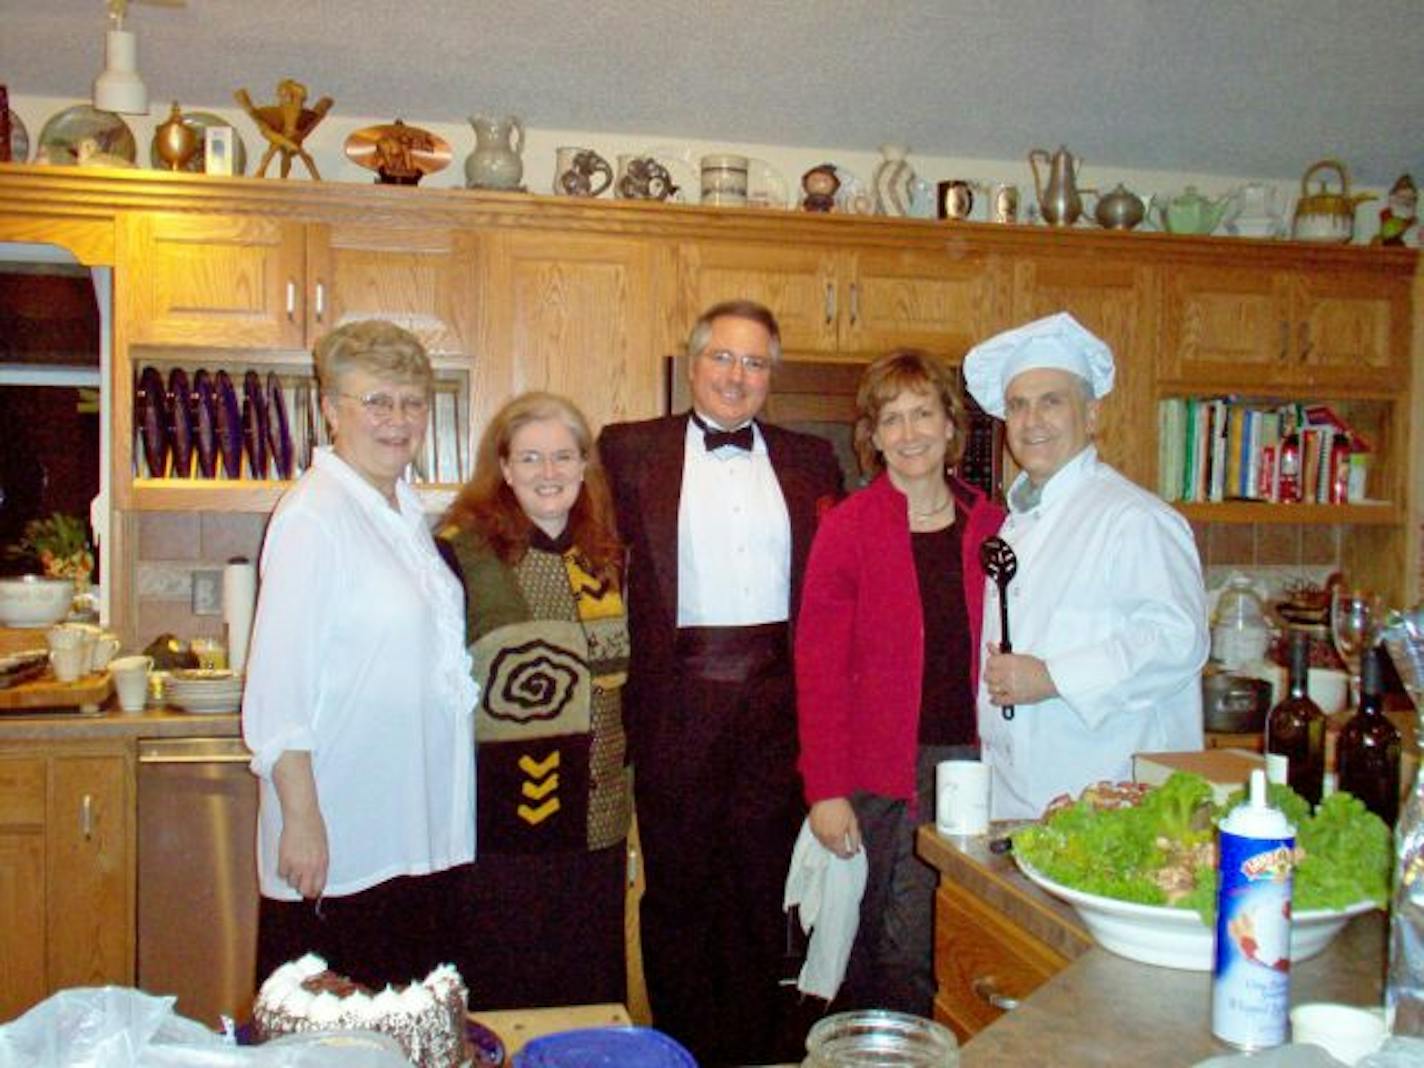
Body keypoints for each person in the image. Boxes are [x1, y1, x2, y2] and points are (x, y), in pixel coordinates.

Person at [598, 300, 843, 1066]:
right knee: (677, 892)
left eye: (756, 363)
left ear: (771, 375)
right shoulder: (628, 450)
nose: (738, 376)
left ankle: (751, 1051)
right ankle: (680, 1049)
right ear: (695, 362)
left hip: (779, 705)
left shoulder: (813, 460)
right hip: (678, 703)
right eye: (724, 359)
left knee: (760, 891)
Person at [242, 320, 479, 989]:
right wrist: (304, 820)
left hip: (414, 835)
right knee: (334, 1039)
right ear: (329, 408)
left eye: (411, 402)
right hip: (347, 842)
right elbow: (277, 689)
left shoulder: (401, 508)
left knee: (407, 1034)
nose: (397, 420)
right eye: (377, 401)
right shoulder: (314, 517)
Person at [795, 350, 1005, 1016]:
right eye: (892, 419)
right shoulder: (848, 527)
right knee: (881, 952)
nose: (910, 433)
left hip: (977, 768)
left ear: (951, 426)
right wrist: (824, 789)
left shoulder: (992, 526)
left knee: (959, 945)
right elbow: (818, 668)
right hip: (878, 776)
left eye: (923, 414)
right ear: (874, 435)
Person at [963, 311, 1209, 820]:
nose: (1032, 422)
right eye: (1018, 406)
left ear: (1092, 415)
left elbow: (1178, 638)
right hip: (1018, 797)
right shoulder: (1016, 524)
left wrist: (1054, 677)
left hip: (1107, 804)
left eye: (1052, 402)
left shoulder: (1133, 519)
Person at [437, 391, 631, 1009]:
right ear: (504, 467)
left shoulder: (606, 556)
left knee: (588, 995)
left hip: (597, 821)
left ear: (583, 467)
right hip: (505, 826)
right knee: (508, 990)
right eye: (530, 458)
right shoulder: (461, 552)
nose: (549, 473)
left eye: (563, 457)